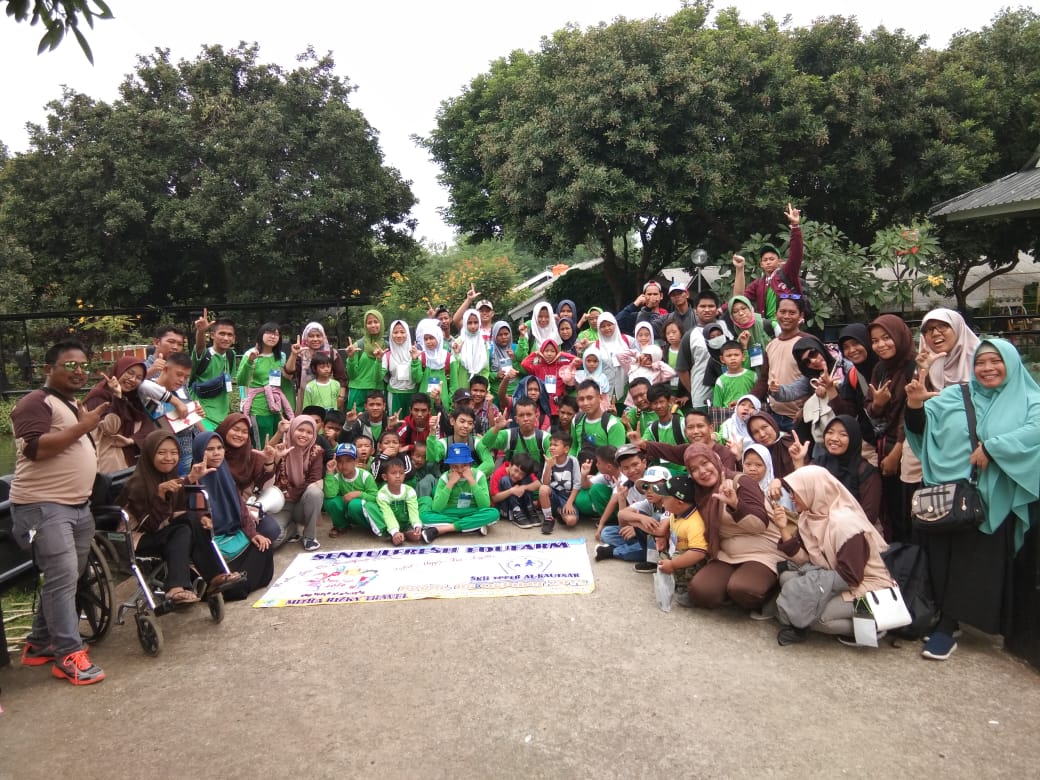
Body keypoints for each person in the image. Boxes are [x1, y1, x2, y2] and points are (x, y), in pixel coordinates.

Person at [905, 339, 1040, 661]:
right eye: (981, 362)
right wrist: (914, 405)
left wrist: (994, 447)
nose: (987, 368)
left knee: (974, 562)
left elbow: (1035, 431)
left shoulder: (1029, 399)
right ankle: (945, 619)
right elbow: (922, 427)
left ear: (1011, 363)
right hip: (952, 493)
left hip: (996, 494)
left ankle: (949, 625)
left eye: (996, 361)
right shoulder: (957, 395)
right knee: (945, 558)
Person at [11, 340, 110, 684]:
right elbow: (35, 449)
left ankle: (39, 643)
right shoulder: (34, 402)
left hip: (77, 507)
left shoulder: (70, 403)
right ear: (48, 369)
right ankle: (68, 655)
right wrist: (84, 426)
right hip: (43, 506)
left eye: (83, 365)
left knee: (66, 578)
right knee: (63, 577)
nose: (79, 371)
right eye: (70, 365)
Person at [772, 466, 894, 646]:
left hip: (864, 585)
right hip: (834, 575)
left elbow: (851, 576)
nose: (791, 497)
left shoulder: (845, 524)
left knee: (818, 617)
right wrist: (783, 528)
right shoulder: (808, 517)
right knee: (787, 579)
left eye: (796, 492)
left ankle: (873, 625)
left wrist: (812, 588)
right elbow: (805, 560)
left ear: (813, 491)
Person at [119, 430, 245, 605]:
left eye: (174, 453)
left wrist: (191, 479)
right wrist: (160, 495)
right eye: (161, 453)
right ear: (149, 454)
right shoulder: (138, 485)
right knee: (182, 530)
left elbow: (177, 508)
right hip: (137, 539)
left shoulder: (169, 476)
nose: (169, 458)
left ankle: (213, 578)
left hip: (163, 530)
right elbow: (150, 526)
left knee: (191, 520)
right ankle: (177, 587)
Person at [192, 432, 276, 597]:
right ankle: (227, 586)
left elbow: (241, 508)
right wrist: (204, 518)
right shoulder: (195, 480)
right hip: (214, 545)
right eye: (209, 449)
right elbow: (197, 514)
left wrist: (253, 534)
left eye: (219, 448)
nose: (216, 453)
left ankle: (237, 583)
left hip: (234, 534)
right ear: (199, 452)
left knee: (265, 544)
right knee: (238, 585)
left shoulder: (224, 473)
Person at [866, 314, 918, 542]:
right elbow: (871, 407)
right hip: (884, 446)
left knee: (909, 508)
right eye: (875, 341)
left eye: (886, 338)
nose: (881, 345)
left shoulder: (914, 367)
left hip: (909, 447)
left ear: (899, 336)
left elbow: (911, 413)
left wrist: (897, 452)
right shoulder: (880, 369)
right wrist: (878, 404)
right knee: (892, 508)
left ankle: (913, 553)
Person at [732, 203, 803, 320]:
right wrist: (720, 310)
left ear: (779, 261)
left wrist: (795, 226)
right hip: (767, 326)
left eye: (771, 259)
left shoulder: (787, 273)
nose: (768, 262)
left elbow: (796, 255)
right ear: (761, 264)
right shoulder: (758, 283)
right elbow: (739, 299)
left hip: (788, 323)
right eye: (765, 260)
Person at [83, 356, 155, 470]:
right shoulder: (99, 396)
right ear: (119, 370)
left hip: (132, 462)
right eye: (130, 373)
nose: (132, 379)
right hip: (109, 464)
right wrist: (118, 397)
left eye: (139, 377)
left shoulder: (134, 398)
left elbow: (148, 424)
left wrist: (132, 440)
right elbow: (110, 428)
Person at [419, 443, 500, 542]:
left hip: (472, 511)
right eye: (455, 466)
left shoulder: (479, 475)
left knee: (493, 513)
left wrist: (472, 481)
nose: (460, 470)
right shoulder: (444, 478)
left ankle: (443, 529)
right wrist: (450, 483)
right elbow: (437, 509)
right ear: (450, 466)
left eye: (464, 465)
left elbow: (484, 505)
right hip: (450, 513)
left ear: (470, 464)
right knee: (424, 517)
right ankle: (473, 525)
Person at [811, 415, 881, 527]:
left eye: (843, 434)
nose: (834, 438)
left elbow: (869, 515)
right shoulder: (818, 464)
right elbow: (802, 497)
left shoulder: (865, 471)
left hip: (855, 530)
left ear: (854, 438)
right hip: (818, 528)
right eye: (830, 432)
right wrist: (798, 461)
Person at [651, 474, 709, 604]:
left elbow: (698, 553)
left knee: (678, 560)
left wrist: (673, 565)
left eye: (666, 497)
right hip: (677, 550)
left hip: (694, 559)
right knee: (662, 558)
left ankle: (686, 587)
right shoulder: (675, 513)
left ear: (679, 503)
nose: (662, 499)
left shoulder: (695, 523)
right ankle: (677, 579)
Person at [269, 416, 325, 552]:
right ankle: (292, 530)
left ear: (314, 435)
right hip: (281, 505)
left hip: (302, 504)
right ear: (292, 429)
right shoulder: (281, 448)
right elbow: (264, 474)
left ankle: (309, 536)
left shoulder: (316, 451)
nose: (304, 435)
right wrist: (276, 458)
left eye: (309, 432)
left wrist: (292, 494)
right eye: (300, 430)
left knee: (315, 492)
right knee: (273, 541)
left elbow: (314, 478)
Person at [597, 466, 670, 564]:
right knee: (607, 533)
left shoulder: (670, 504)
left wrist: (636, 526)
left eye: (655, 487)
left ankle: (614, 551)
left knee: (655, 519)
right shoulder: (649, 503)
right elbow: (622, 514)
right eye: (645, 486)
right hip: (650, 536)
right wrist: (640, 518)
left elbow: (661, 531)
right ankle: (636, 547)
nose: (649, 490)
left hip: (665, 545)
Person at [236, 322, 295, 447]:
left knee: (277, 444)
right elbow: (241, 381)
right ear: (261, 334)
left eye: (276, 334)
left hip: (277, 408)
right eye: (269, 333)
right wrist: (250, 361)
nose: (273, 336)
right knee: (263, 445)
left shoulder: (281, 356)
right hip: (259, 408)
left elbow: (286, 380)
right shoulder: (251, 354)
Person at [190, 310, 237, 430]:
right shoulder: (205, 355)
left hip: (223, 418)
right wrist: (201, 332)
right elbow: (199, 347)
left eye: (229, 335)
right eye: (222, 333)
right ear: (212, 335)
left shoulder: (231, 355)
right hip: (202, 417)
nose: (226, 338)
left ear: (234, 338)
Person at [323, 442, 381, 537]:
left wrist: (358, 494)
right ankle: (342, 525)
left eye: (348, 460)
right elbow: (330, 495)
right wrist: (329, 472)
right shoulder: (337, 477)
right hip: (348, 512)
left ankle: (370, 526)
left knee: (354, 504)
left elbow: (376, 498)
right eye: (340, 461)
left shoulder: (365, 476)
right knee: (330, 501)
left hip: (362, 512)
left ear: (356, 461)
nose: (344, 464)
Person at [917, 308, 980, 391]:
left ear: (957, 328)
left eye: (942, 326)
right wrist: (923, 373)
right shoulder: (926, 363)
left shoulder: (981, 359)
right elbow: (918, 396)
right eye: (929, 329)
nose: (935, 333)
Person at [539, 430, 581, 534]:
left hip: (566, 497)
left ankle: (559, 511)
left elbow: (577, 484)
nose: (551, 447)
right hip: (552, 495)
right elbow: (545, 484)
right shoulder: (549, 461)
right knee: (543, 489)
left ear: (566, 449)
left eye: (555, 445)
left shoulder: (573, 461)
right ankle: (548, 518)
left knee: (571, 521)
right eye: (551, 445)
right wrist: (549, 467)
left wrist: (569, 503)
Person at [345, 309, 387, 412]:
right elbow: (351, 375)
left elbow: (380, 377)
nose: (373, 325)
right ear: (365, 325)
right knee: (355, 420)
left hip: (377, 392)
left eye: (376, 322)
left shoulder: (387, 347)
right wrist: (351, 358)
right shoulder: (358, 346)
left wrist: (379, 360)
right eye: (369, 323)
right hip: (357, 392)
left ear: (381, 323)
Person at [373, 457, 422, 544]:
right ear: (385, 477)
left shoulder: (409, 490)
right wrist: (395, 531)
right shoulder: (382, 494)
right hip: (389, 524)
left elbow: (413, 509)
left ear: (404, 476)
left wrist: (417, 525)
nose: (398, 476)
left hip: (406, 522)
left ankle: (407, 532)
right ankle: (393, 535)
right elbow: (387, 514)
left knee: (424, 501)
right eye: (393, 473)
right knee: (371, 507)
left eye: (401, 473)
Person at [490, 452, 542, 528]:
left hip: (521, 505)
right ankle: (516, 512)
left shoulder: (525, 472)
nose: (517, 475)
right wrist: (511, 491)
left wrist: (523, 487)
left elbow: (538, 484)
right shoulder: (499, 472)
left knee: (527, 479)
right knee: (505, 480)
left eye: (521, 474)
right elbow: (494, 498)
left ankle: (530, 510)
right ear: (510, 465)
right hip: (505, 508)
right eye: (515, 470)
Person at [383, 319, 423, 416]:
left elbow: (418, 379)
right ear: (391, 335)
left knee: (412, 422)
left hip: (412, 395)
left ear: (407, 334)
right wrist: (378, 361)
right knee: (395, 423)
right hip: (394, 395)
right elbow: (379, 377)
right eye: (395, 332)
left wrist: (414, 361)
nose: (399, 335)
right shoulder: (387, 355)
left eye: (402, 332)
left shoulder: (416, 353)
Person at [713, 340, 757, 409]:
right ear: (722, 359)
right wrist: (728, 408)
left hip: (750, 412)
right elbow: (717, 407)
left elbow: (758, 399)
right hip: (729, 414)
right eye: (729, 356)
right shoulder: (720, 381)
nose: (733, 358)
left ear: (743, 357)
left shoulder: (753, 376)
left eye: (736, 355)